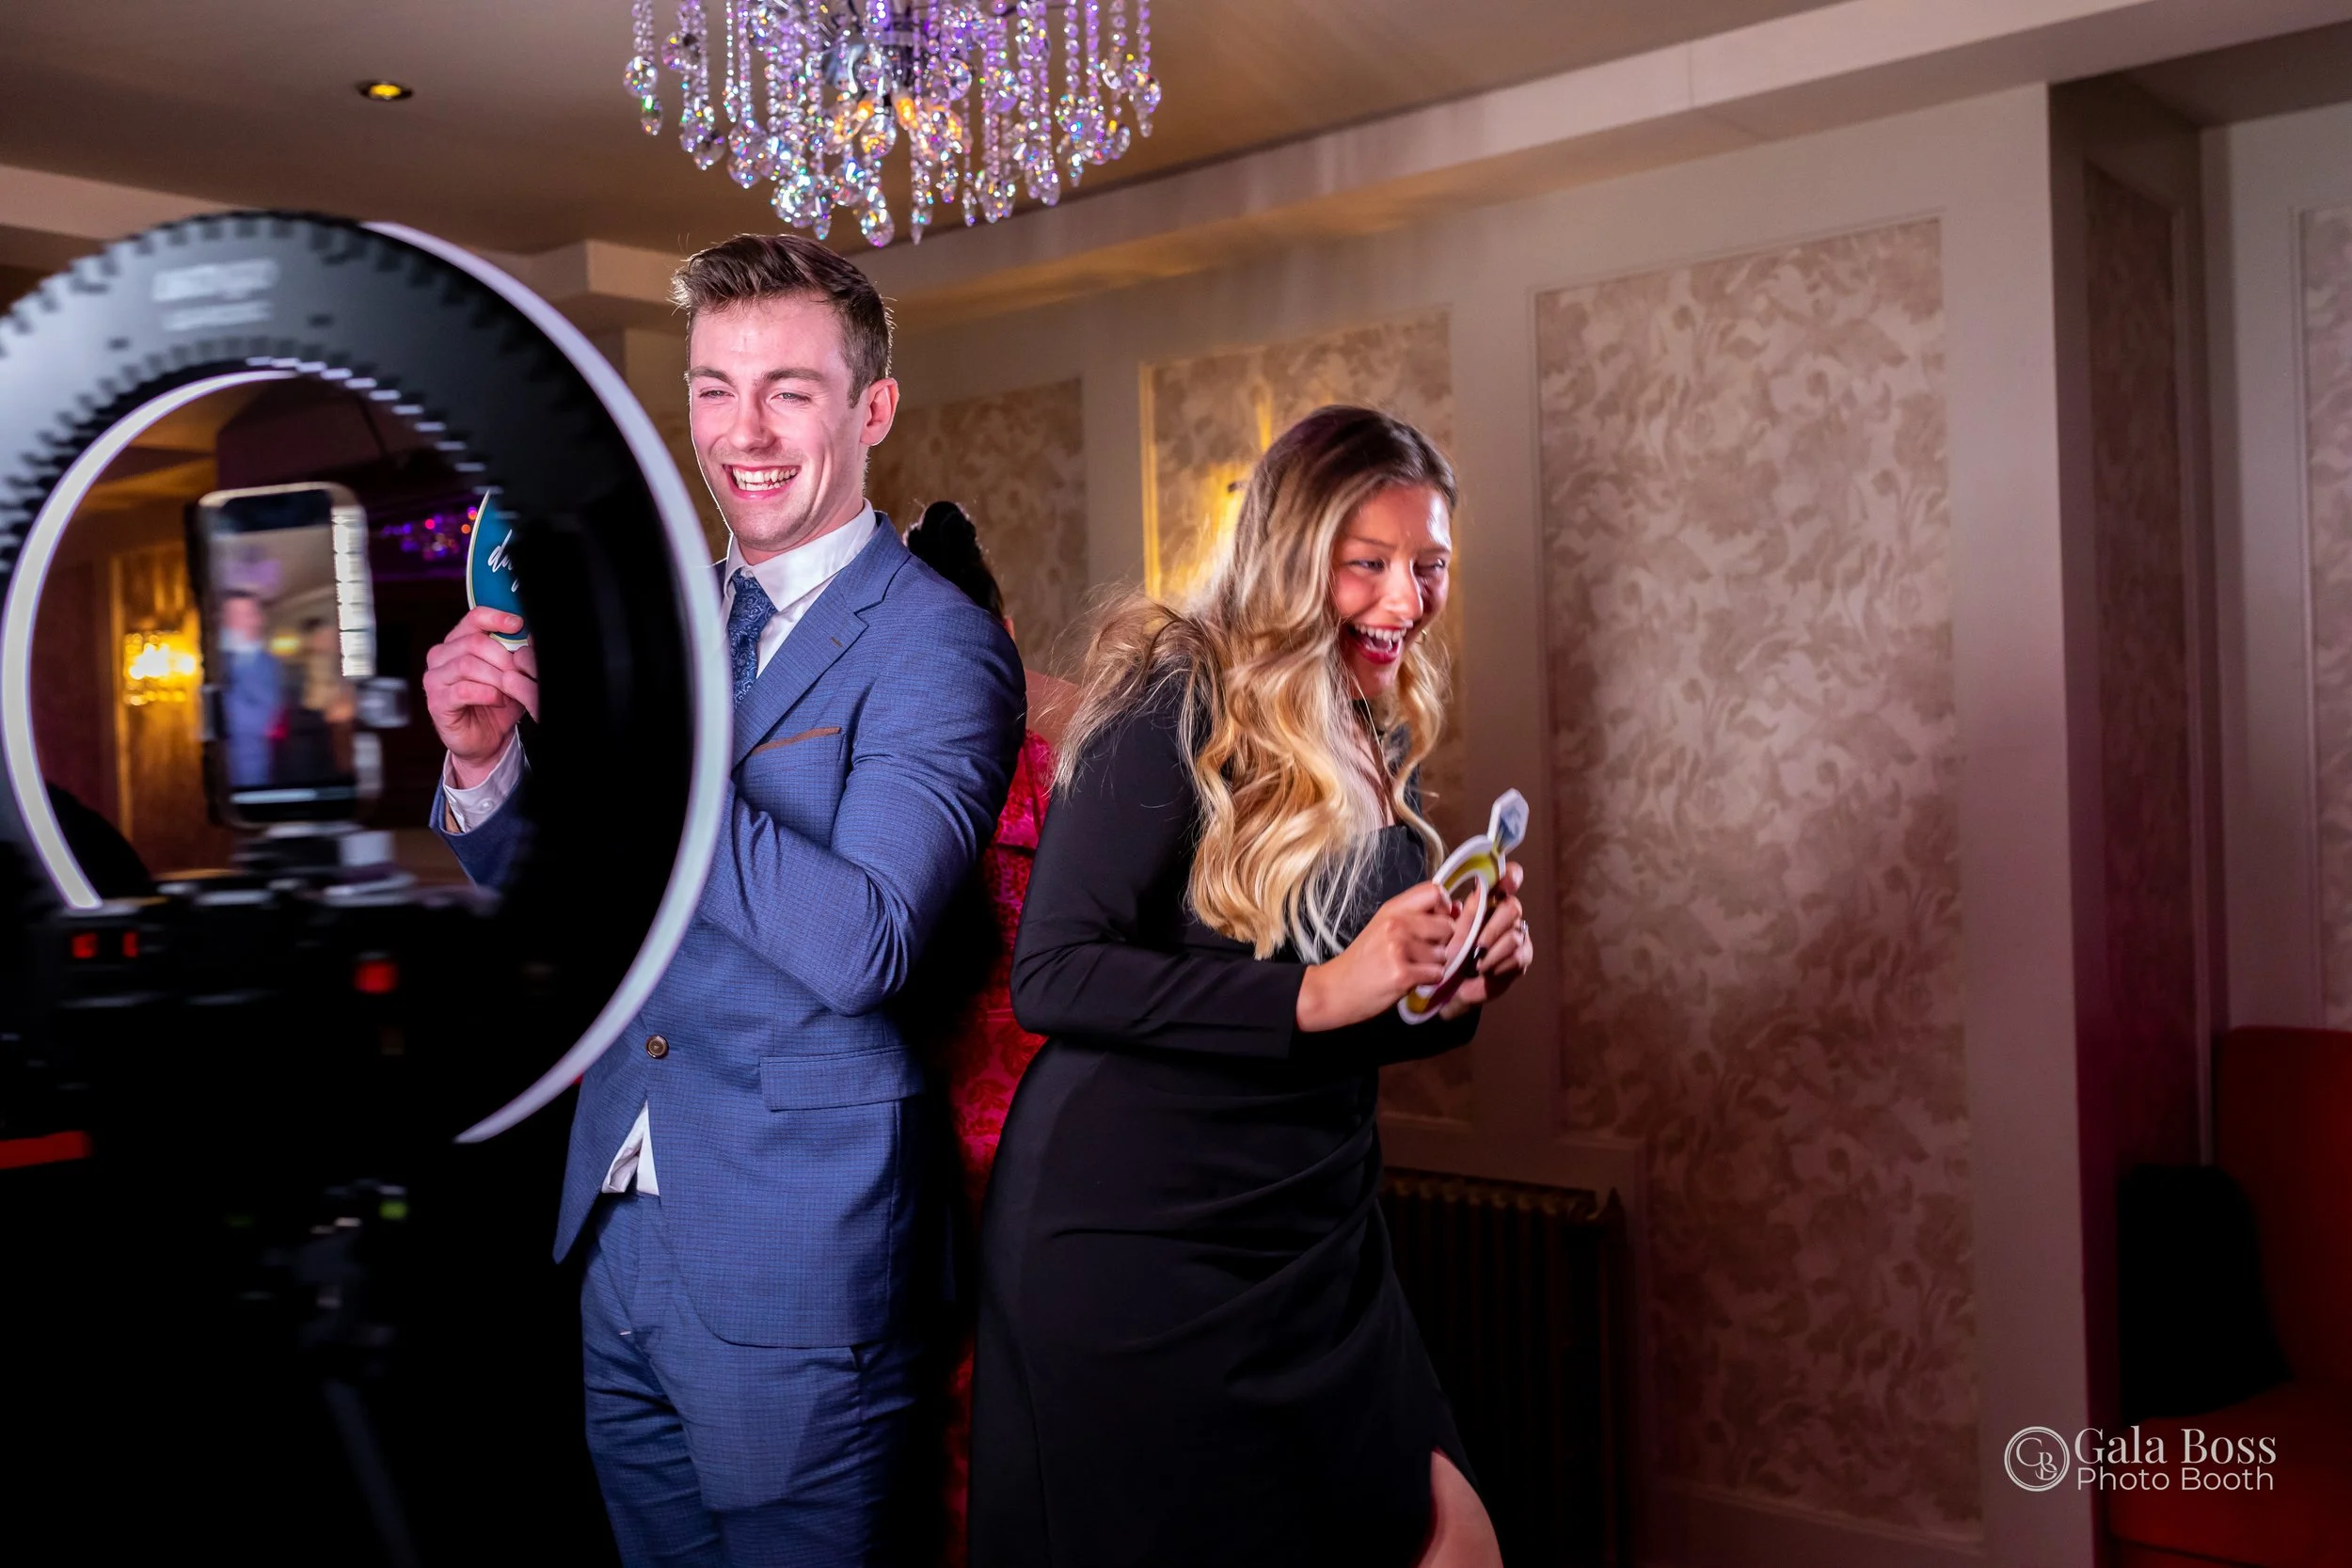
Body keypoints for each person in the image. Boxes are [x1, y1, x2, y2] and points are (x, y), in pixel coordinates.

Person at [420, 234, 1025, 1566]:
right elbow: (574, 908)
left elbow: (864, 942)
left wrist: (641, 762)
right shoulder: (661, 621)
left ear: (872, 407)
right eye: (712, 388)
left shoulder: (939, 647)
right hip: (619, 1226)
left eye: (788, 390)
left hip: (805, 1261)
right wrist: (486, 765)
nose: (742, 432)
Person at [970, 405, 1529, 1568]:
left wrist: (1445, 986)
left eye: (1428, 565)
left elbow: (1340, 1005)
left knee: (1455, 1537)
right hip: (1140, 1242)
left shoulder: (1372, 721)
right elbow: (1055, 972)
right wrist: (1320, 991)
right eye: (1367, 563)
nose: (1406, 599)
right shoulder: (1171, 692)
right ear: (1288, 554)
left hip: (1314, 1234)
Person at [899, 499, 1072, 1567]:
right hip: (1030, 1126)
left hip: (966, 1125)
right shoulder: (1060, 763)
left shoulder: (889, 774)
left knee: (956, 1407)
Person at [215, 590, 282, 788]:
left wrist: (210, 701)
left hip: (246, 772)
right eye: (231, 614)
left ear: (259, 619)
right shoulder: (212, 657)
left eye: (245, 614)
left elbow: (260, 722)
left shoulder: (267, 665)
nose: (236, 621)